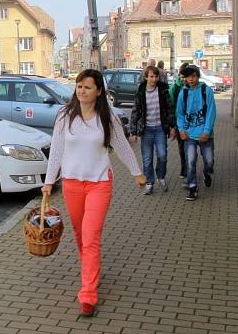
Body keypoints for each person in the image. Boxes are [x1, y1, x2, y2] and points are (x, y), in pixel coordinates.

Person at [41, 69, 146, 317]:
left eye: (87, 87)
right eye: (79, 86)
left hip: (99, 183)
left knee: (90, 236)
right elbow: (56, 149)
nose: (82, 90)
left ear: (99, 90)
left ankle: (88, 293)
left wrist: (136, 171)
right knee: (79, 234)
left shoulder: (107, 117)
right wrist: (48, 181)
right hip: (71, 184)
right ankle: (90, 267)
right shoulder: (65, 115)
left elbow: (121, 145)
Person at [129, 66, 176, 195]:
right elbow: (135, 112)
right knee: (147, 158)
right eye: (151, 77)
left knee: (162, 155)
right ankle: (149, 182)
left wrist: (172, 127)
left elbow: (169, 109)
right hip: (147, 130)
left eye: (156, 77)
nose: (154, 79)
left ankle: (160, 176)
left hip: (160, 128)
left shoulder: (163, 90)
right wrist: (133, 132)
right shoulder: (141, 91)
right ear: (146, 77)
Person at [176, 65, 217, 201]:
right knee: (190, 161)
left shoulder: (206, 91)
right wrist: (181, 129)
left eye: (193, 76)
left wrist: (206, 131)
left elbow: (211, 112)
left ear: (198, 76)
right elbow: (180, 114)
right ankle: (192, 187)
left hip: (205, 134)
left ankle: (207, 173)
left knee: (209, 161)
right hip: (189, 134)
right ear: (185, 79)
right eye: (188, 77)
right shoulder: (184, 93)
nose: (191, 79)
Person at [169, 62, 190, 185]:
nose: (184, 80)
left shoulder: (194, 87)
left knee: (191, 148)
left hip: (193, 124)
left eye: (186, 77)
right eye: (182, 77)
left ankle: (189, 170)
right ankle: (184, 170)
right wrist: (173, 125)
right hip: (179, 123)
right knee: (182, 148)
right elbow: (170, 106)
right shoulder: (175, 89)